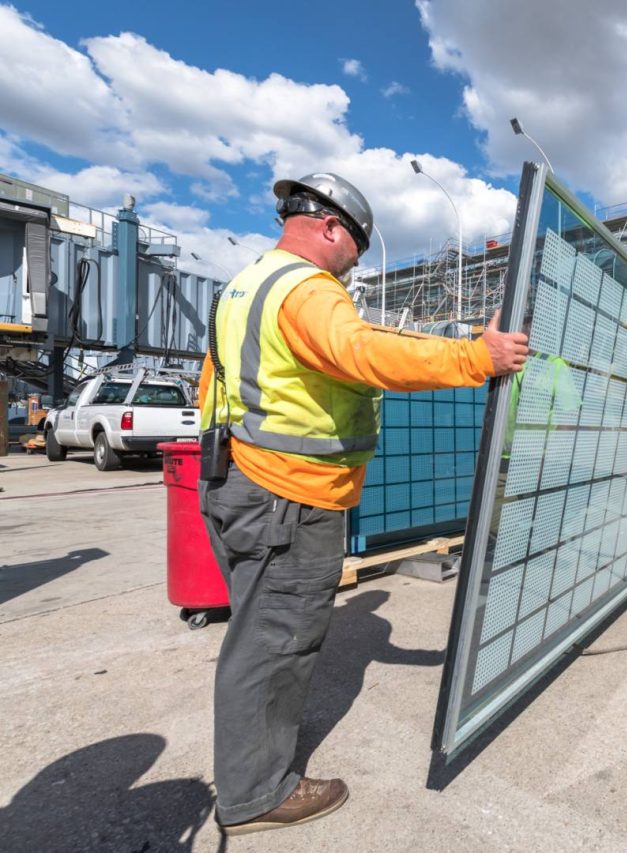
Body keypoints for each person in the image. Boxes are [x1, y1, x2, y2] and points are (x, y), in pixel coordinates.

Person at [196, 172, 527, 836]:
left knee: (258, 635)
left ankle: (260, 747)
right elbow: (363, 350)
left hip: (237, 482)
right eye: (357, 246)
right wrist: (474, 356)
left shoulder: (246, 283)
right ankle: (256, 791)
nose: (354, 262)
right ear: (328, 227)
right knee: (274, 643)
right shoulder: (309, 291)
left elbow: (219, 382)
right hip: (286, 496)